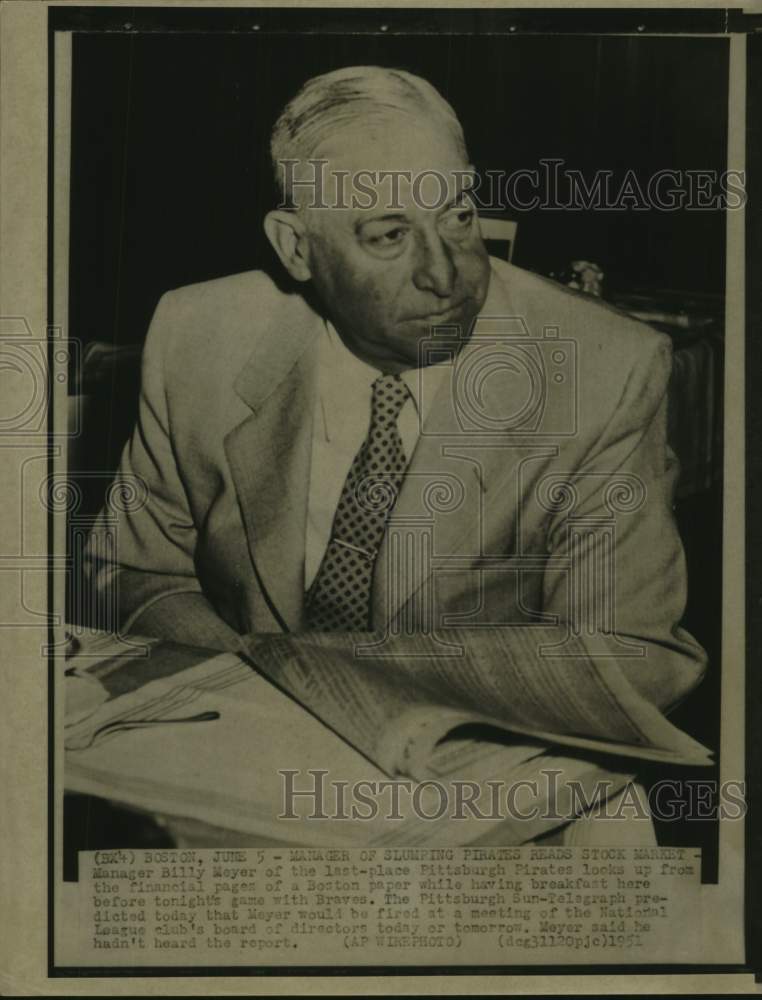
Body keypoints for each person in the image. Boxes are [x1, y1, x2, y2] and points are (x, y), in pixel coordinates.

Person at [86, 65, 705, 718]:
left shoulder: (602, 369)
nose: (445, 274)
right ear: (296, 248)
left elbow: (627, 652)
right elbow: (129, 571)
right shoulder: (198, 336)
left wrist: (328, 680)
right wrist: (252, 683)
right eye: (388, 235)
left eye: (457, 217)